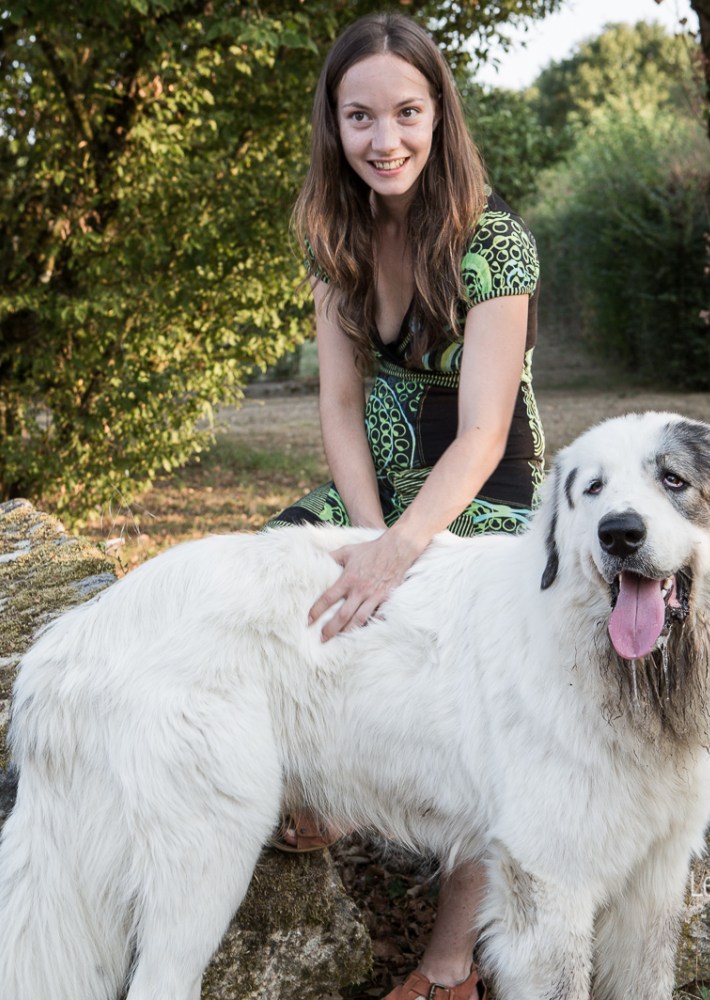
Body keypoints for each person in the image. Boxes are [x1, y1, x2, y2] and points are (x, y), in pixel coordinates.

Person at [268, 12, 544, 1000]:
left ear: (438, 115)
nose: (384, 139)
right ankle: (338, 790)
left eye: (406, 113)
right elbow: (338, 406)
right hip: (374, 486)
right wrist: (362, 534)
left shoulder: (493, 246)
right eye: (359, 117)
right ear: (333, 127)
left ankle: (448, 965)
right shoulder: (334, 237)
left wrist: (404, 550)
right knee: (279, 577)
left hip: (486, 490)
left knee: (485, 679)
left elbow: (478, 435)